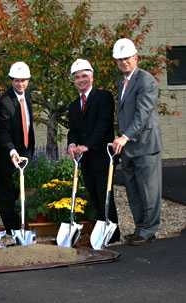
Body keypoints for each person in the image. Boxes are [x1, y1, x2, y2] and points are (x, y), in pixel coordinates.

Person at [112, 38, 162, 245]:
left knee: (149, 191)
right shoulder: (122, 82)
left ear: (136, 58)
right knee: (133, 191)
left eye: (127, 58)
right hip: (128, 147)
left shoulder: (146, 80)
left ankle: (149, 230)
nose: (124, 62)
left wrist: (125, 136)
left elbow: (142, 114)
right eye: (120, 59)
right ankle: (140, 228)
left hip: (145, 145)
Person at [67, 58, 120, 243]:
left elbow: (103, 125)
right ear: (74, 81)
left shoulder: (104, 97)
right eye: (77, 77)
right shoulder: (73, 105)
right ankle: (100, 231)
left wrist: (87, 145)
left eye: (84, 76)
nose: (81, 80)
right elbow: (72, 130)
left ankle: (112, 234)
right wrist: (72, 144)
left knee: (104, 193)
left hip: (103, 156)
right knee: (93, 194)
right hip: (85, 159)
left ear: (92, 77)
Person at [0, 62, 35, 232]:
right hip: (7, 154)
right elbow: (2, 131)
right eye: (17, 80)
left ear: (28, 81)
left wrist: (28, 150)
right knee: (7, 193)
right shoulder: (5, 101)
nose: (20, 84)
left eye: (24, 80)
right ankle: (12, 229)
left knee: (21, 190)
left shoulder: (28, 97)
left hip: (25, 151)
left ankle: (22, 226)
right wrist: (12, 150)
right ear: (11, 80)